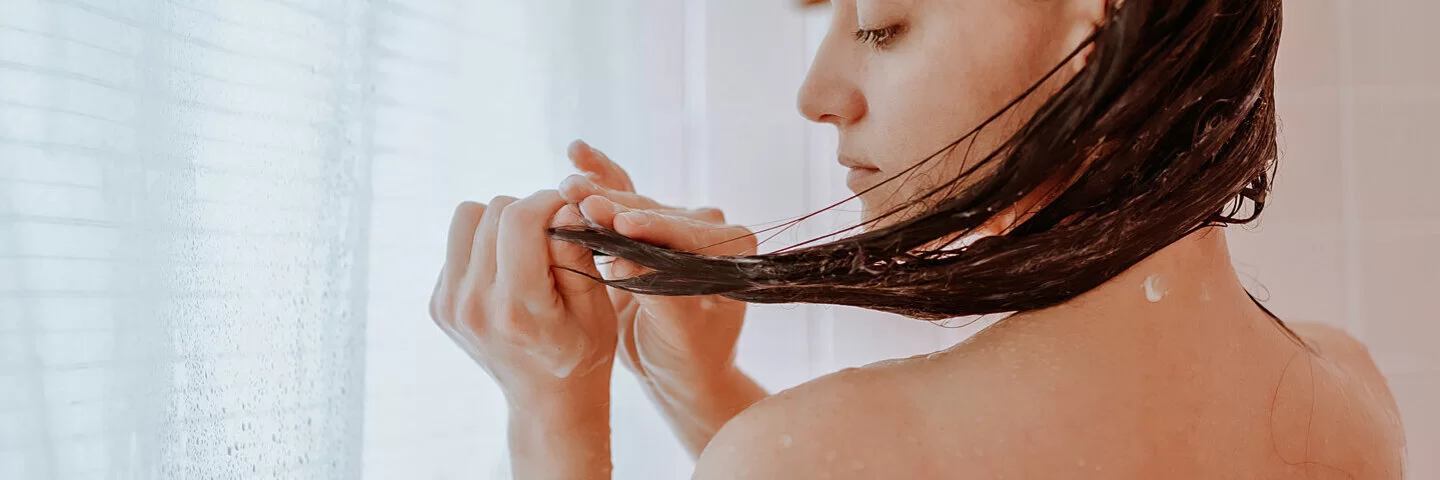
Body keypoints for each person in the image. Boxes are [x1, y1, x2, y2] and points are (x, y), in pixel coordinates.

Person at [427, 0, 1406, 478]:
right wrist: (705, 393)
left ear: (1099, 18)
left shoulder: (815, 456)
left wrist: (553, 412)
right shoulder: (1347, 397)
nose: (816, 97)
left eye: (882, 23)